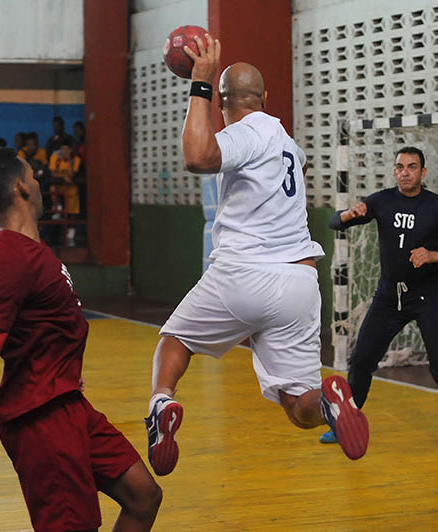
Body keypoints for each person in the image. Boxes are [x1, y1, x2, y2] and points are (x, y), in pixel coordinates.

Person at [143, 34, 369, 477]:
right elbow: (286, 170)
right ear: (264, 98)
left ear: (225, 100)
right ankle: (327, 402)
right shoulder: (285, 140)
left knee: (176, 341)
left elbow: (197, 156)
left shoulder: (245, 133)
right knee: (296, 404)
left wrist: (199, 84)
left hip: (245, 273)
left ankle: (160, 403)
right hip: (300, 283)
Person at [0, 148, 162, 531]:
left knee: (143, 495)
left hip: (68, 404)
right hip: (41, 417)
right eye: (32, 174)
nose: (38, 180)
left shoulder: (20, 247)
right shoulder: (9, 259)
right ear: (21, 187)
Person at [319, 146, 438, 452]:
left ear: (423, 172)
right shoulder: (382, 200)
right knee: (362, 359)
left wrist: (434, 255)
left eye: (412, 166)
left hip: (426, 297)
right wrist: (346, 215)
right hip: (388, 297)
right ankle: (346, 422)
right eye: (400, 167)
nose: (405, 172)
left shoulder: (436, 206)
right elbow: (334, 223)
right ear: (395, 171)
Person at [47, 138, 82, 246]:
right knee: (52, 188)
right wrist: (64, 176)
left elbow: (72, 175)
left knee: (71, 215)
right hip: (59, 188)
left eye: (66, 149)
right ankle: (57, 207)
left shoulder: (76, 160)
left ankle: (70, 237)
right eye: (62, 149)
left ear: (71, 150)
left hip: (71, 190)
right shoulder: (55, 158)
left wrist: (69, 162)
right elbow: (53, 173)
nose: (64, 152)